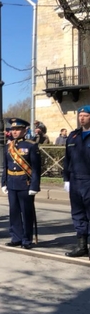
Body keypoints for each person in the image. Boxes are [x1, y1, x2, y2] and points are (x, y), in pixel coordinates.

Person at [1, 118, 41, 250]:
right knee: (14, 212)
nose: (15, 132)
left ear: (25, 130)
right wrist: (4, 182)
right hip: (12, 183)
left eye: (18, 129)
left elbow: (36, 168)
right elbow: (5, 166)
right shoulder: (9, 146)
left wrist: (34, 186)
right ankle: (16, 237)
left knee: (26, 212)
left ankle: (26, 239)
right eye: (13, 129)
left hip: (25, 183)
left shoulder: (31, 145)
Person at [63, 106, 90, 258]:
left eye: (85, 115)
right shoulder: (73, 136)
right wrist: (66, 178)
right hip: (75, 180)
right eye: (80, 115)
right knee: (78, 214)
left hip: (88, 179)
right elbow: (67, 159)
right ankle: (81, 246)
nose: (82, 118)